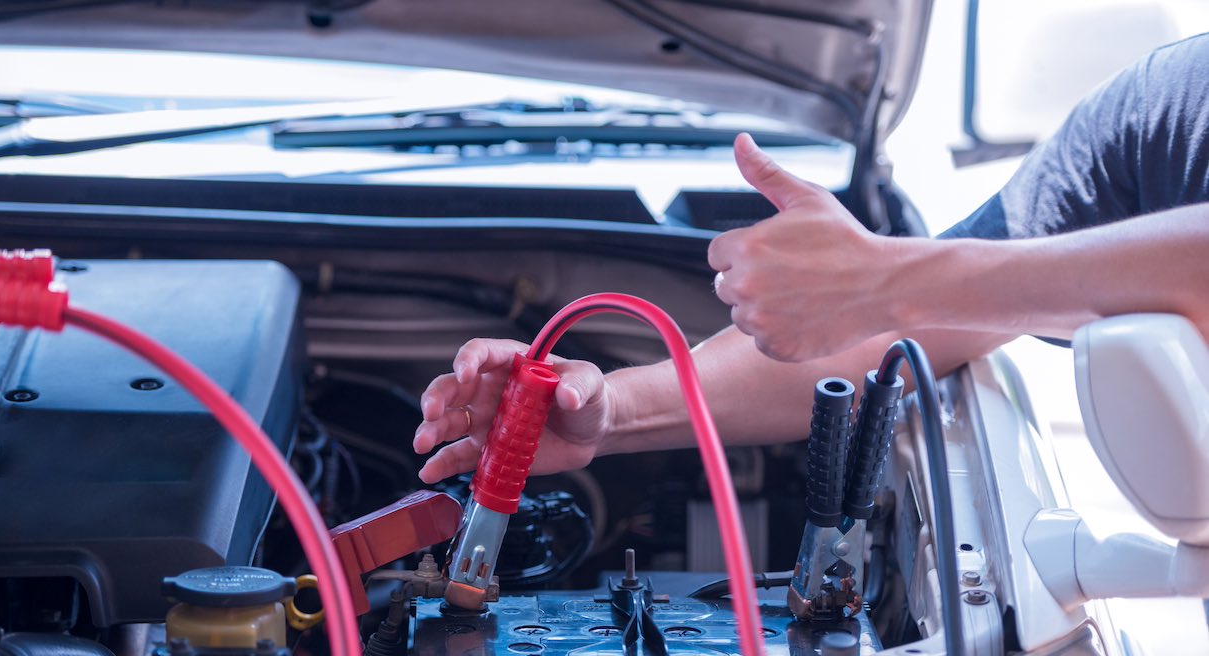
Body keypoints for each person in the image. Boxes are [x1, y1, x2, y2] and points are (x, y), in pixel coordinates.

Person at [414, 34, 1209, 485]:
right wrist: (613, 411)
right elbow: (915, 330)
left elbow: (913, 303)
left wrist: (889, 281)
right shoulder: (1167, 110)